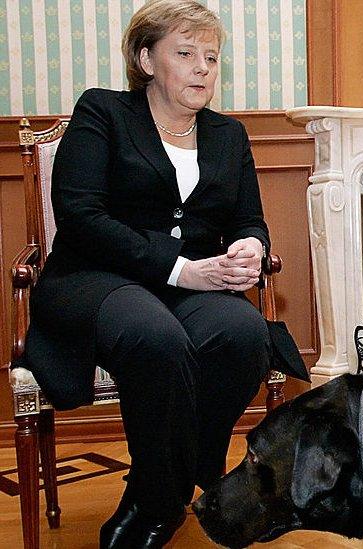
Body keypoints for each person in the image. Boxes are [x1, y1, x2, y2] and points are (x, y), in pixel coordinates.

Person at [18, 1, 305, 547]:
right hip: (97, 278)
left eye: (212, 57)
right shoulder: (103, 113)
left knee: (243, 333)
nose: (203, 68)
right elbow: (80, 216)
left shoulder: (228, 135)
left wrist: (249, 245)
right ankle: (161, 502)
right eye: (186, 53)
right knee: (155, 336)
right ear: (147, 60)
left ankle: (156, 493)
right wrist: (178, 269)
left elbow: (248, 219)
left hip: (190, 283)